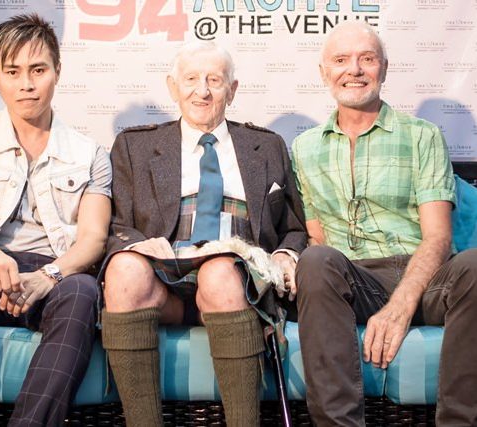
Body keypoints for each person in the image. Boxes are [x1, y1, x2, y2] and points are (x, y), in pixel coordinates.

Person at [101, 41, 307, 427]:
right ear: (172, 87)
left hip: (237, 278)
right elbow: (117, 227)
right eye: (191, 79)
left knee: (219, 273)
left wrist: (285, 254)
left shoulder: (267, 146)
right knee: (124, 270)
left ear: (233, 89)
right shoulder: (135, 146)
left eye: (214, 80)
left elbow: (294, 228)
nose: (203, 91)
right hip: (163, 274)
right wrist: (142, 246)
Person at [291, 21, 477, 426]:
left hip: (425, 276)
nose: (354, 70)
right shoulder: (304, 148)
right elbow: (317, 237)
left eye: (367, 59)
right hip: (355, 280)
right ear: (323, 72)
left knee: (475, 264)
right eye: (341, 60)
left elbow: (438, 236)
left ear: (385, 68)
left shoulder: (422, 135)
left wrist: (401, 305)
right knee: (316, 260)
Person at [0, 14, 112, 426]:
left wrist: (49, 276)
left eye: (38, 70)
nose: (27, 84)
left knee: (83, 289)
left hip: (53, 272)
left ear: (57, 71)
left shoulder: (90, 153)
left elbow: (93, 238)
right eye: (13, 71)